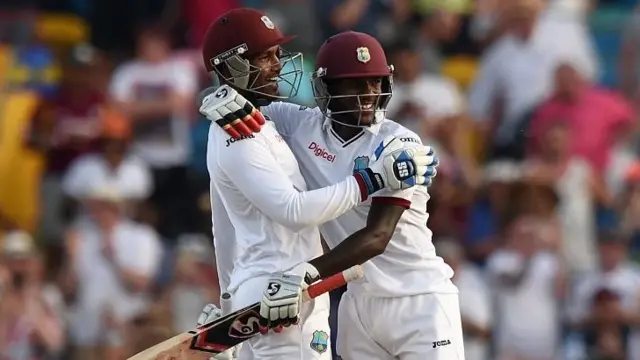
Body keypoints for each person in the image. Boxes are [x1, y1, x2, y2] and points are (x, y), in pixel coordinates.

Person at [203, 14, 462, 360]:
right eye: (355, 84)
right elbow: (242, 102)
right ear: (326, 89)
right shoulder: (300, 125)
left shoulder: (399, 144)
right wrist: (210, 97)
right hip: (356, 301)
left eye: (375, 82)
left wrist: (306, 273)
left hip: (419, 297)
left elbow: (377, 237)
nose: (369, 95)